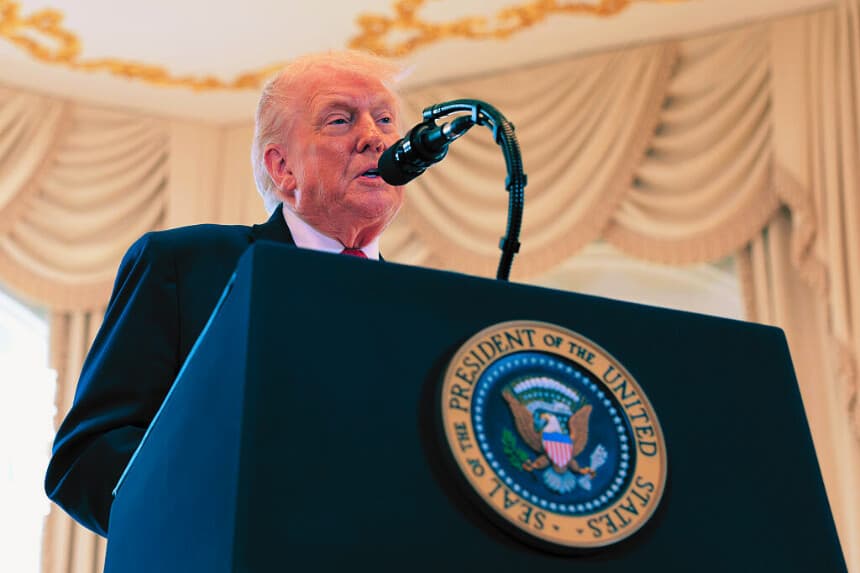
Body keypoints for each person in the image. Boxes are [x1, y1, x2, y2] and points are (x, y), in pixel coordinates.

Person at [44, 51, 406, 537]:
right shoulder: (185, 265)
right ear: (283, 169)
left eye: (385, 119)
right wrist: (234, 515)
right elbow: (87, 460)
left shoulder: (419, 307)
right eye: (341, 120)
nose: (375, 137)